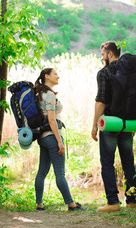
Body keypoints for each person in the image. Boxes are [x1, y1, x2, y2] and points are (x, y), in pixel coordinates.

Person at [91, 41, 136, 212]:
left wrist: (95, 125)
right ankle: (131, 200)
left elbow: (101, 101)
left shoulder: (105, 72)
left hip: (110, 122)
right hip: (128, 123)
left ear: (110, 53)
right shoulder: (131, 72)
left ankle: (113, 202)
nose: (102, 57)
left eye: (103, 54)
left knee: (107, 163)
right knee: (128, 161)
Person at [34, 68, 85, 211]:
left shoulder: (39, 93)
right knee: (60, 173)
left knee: (42, 172)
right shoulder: (49, 94)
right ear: (47, 76)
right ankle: (71, 204)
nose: (58, 76)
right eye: (55, 74)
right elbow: (51, 119)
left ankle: (39, 204)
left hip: (42, 138)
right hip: (51, 137)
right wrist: (59, 141)